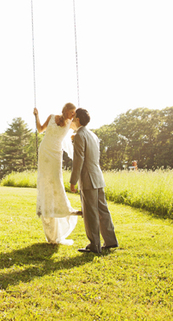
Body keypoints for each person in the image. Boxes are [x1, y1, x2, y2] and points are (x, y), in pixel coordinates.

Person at [70, 108, 118, 254]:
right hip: (98, 177)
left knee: (90, 213)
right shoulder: (93, 135)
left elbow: (79, 160)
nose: (71, 120)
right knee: (103, 211)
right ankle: (110, 241)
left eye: (73, 118)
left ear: (78, 119)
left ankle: (94, 245)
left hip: (88, 179)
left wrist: (73, 181)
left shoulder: (79, 135)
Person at [33, 103, 82, 245]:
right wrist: (37, 116)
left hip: (56, 153)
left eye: (75, 113)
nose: (73, 115)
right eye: (72, 112)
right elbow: (40, 129)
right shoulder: (52, 117)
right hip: (45, 151)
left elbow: (81, 126)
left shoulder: (71, 123)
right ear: (65, 110)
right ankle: (47, 208)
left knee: (56, 179)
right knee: (45, 179)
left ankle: (65, 208)